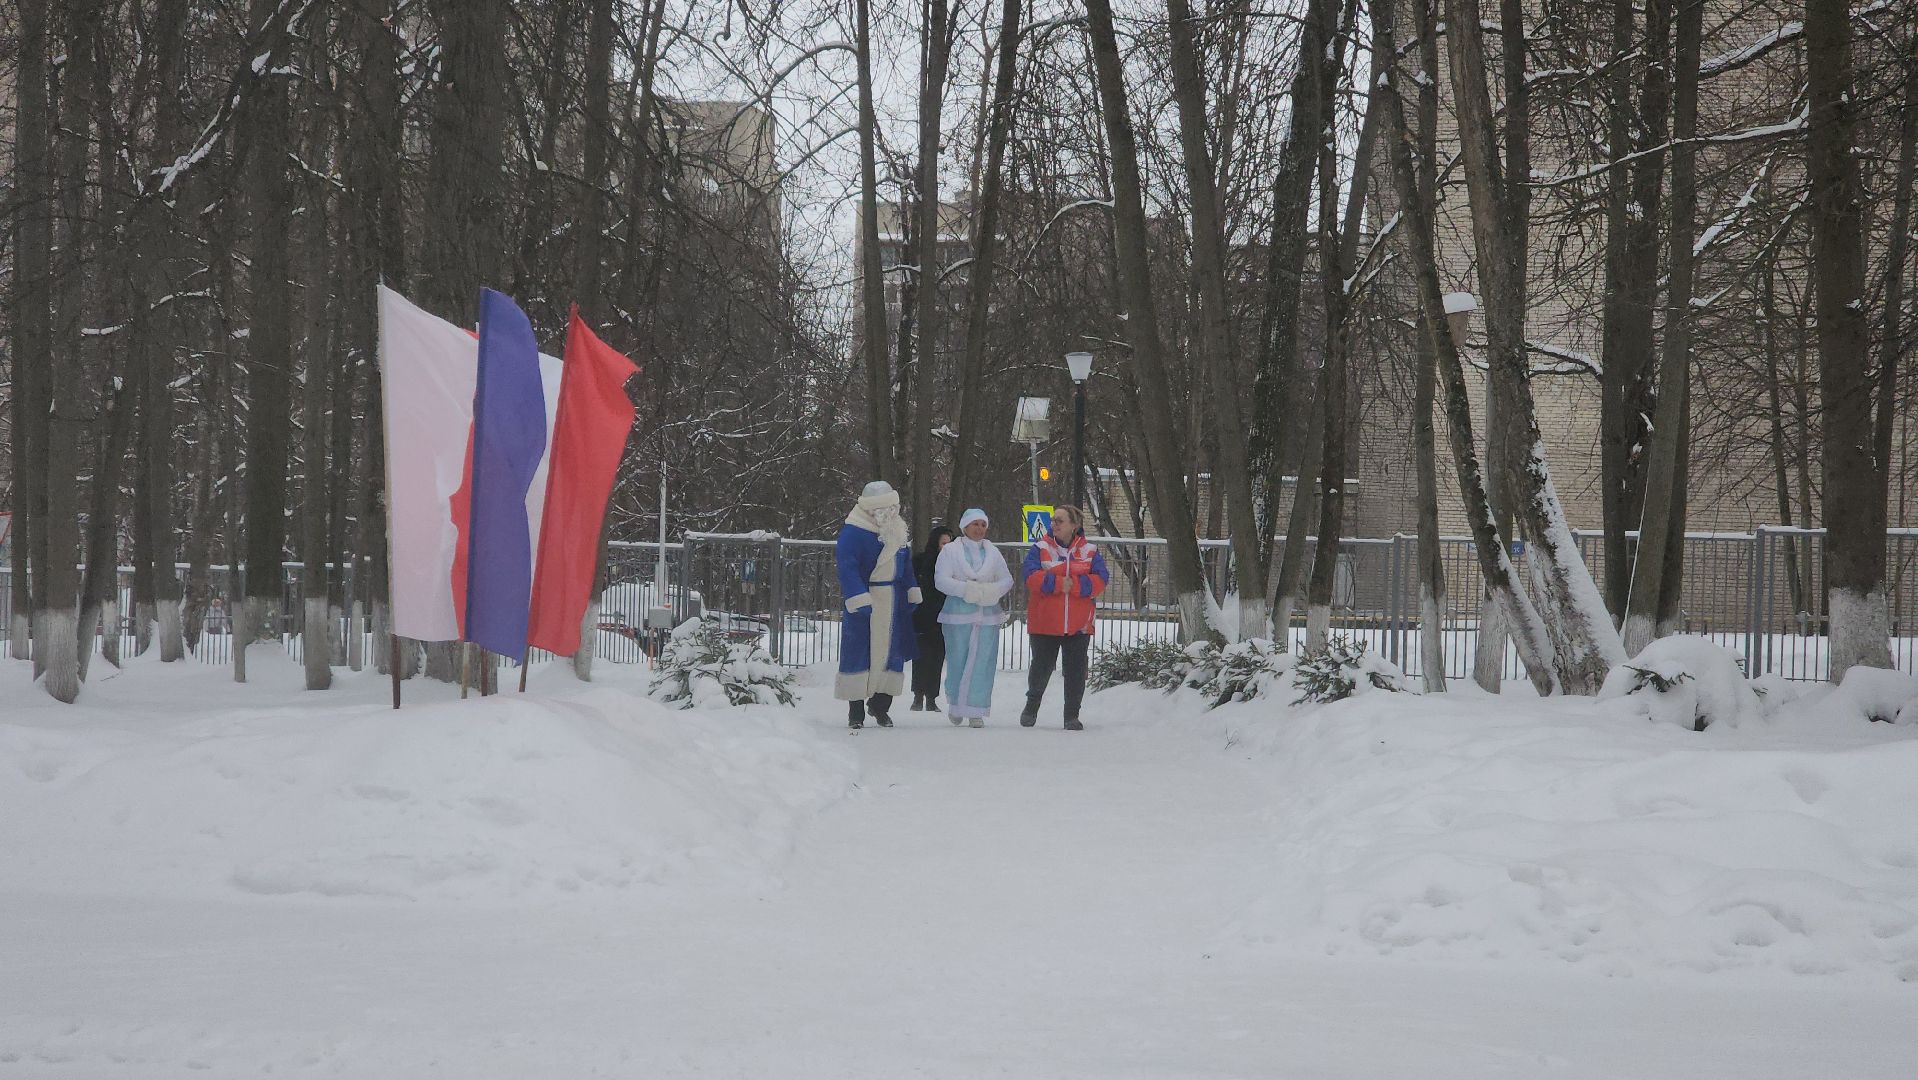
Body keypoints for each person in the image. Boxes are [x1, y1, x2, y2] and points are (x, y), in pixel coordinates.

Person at [834, 481, 922, 729]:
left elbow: (906, 567)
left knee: (892, 655)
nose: (893, 512)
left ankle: (881, 706)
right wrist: (858, 597)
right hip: (866, 600)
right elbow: (847, 567)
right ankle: (856, 711)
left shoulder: (896, 531)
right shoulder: (854, 531)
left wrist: (912, 590)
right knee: (859, 654)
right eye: (888, 508)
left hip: (893, 601)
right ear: (874, 508)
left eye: (895, 507)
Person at [1019, 505, 1108, 731]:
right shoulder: (1040, 548)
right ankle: (1032, 705)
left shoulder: (1090, 550)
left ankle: (1071, 715)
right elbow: (1030, 576)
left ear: (1074, 525)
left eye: (1060, 520)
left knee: (1076, 670)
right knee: (1041, 667)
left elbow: (1101, 579)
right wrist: (1058, 584)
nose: (1054, 524)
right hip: (1045, 622)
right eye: (1053, 520)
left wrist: (1077, 586)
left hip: (1079, 624)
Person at [934, 509, 1014, 728]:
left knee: (983, 662)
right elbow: (941, 580)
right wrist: (967, 590)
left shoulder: (993, 553)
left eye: (983, 524)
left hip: (987, 616)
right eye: (975, 524)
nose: (979, 528)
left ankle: (976, 709)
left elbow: (1007, 579)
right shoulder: (950, 551)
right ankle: (957, 704)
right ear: (965, 526)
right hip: (958, 616)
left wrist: (990, 592)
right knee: (958, 660)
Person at [910, 524, 955, 712]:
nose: (946, 547)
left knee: (937, 656)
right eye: (943, 543)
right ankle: (918, 695)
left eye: (949, 543)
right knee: (921, 655)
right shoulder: (921, 561)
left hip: (943, 615)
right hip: (922, 614)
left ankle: (932, 697)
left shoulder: (953, 564)